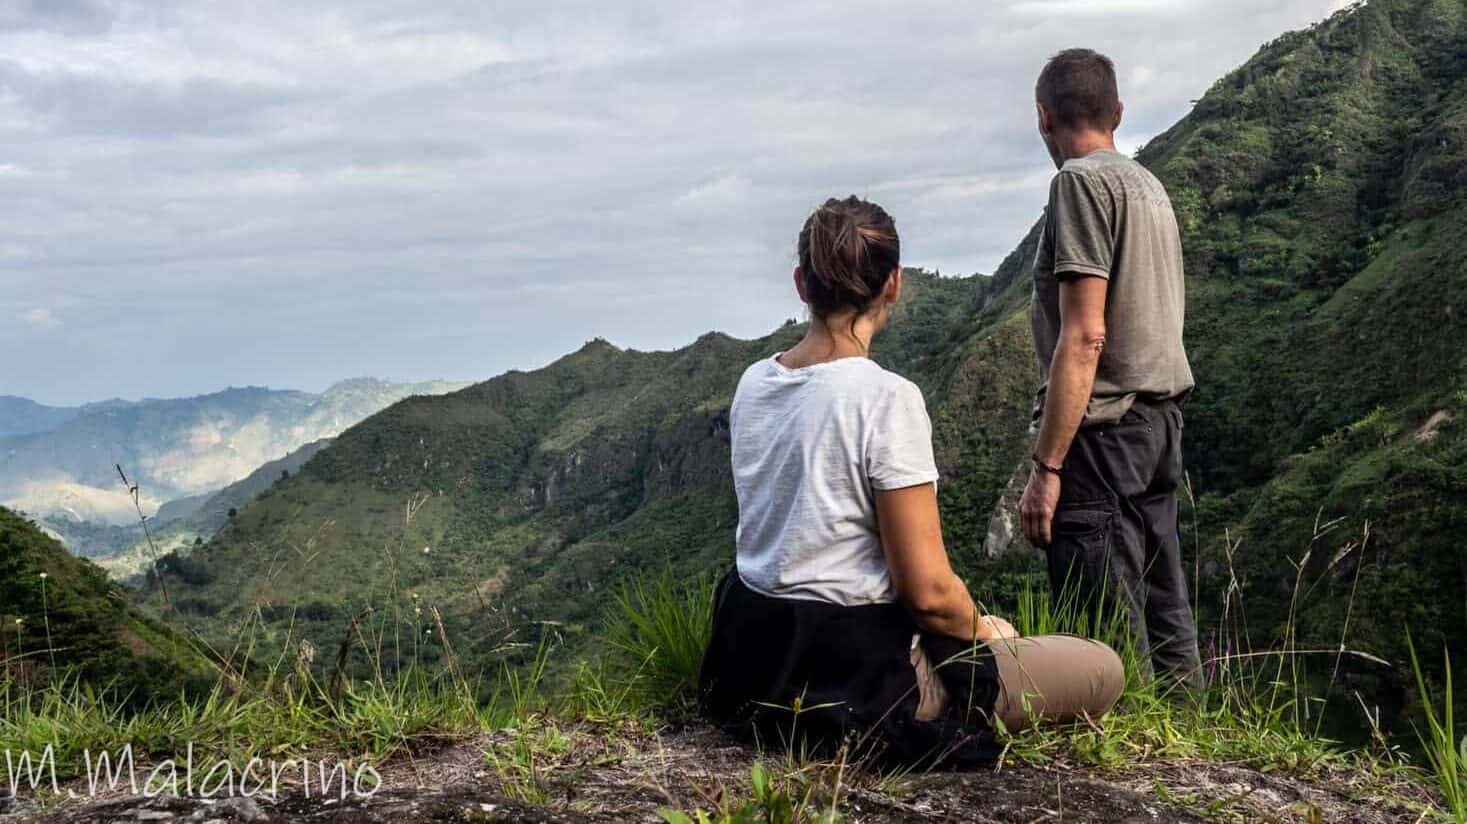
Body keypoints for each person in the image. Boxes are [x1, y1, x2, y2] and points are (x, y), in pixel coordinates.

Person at [699, 196, 1124, 767]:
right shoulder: (885, 399)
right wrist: (986, 632)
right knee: (1100, 666)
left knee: (991, 634)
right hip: (849, 677)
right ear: (893, 285)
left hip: (753, 663)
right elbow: (927, 593)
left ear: (802, 283)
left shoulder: (755, 383)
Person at [1019, 49, 1204, 690]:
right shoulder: (1147, 186)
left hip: (1104, 433)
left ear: (1044, 116)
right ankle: (1189, 746)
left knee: (1098, 626)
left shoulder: (1078, 184)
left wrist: (1046, 469)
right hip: (1160, 423)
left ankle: (1114, 760)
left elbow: (1085, 334)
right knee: (1164, 603)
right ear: (1117, 112)